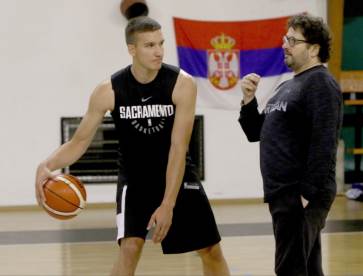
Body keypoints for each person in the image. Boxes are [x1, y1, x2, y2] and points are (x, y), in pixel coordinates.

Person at [35, 16, 230, 276]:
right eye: (149, 45)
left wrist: (168, 204)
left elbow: (178, 148)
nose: (159, 51)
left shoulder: (182, 84)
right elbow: (79, 141)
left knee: (210, 250)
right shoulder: (109, 90)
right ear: (132, 49)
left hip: (176, 174)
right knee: (129, 248)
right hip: (134, 179)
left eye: (161, 43)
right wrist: (46, 165)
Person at [239, 14, 343, 276]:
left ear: (314, 49)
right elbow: (256, 132)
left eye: (293, 40)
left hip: (299, 192)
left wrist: (306, 193)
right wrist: (249, 100)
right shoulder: (288, 85)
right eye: (286, 38)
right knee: (307, 267)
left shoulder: (320, 83)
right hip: (283, 192)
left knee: (289, 268)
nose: (285, 44)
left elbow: (325, 142)